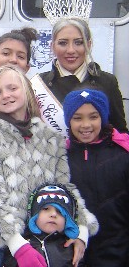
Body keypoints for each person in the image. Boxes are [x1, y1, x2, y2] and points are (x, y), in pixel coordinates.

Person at [0, 65, 98, 267]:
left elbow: (65, 190)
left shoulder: (50, 138)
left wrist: (82, 232)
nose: (6, 95)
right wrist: (18, 245)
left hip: (45, 241)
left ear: (27, 90)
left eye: (12, 88)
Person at [63, 88, 129, 266]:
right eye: (77, 118)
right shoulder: (60, 158)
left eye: (93, 117)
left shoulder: (122, 155)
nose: (86, 125)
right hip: (74, 255)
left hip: (118, 254)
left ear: (103, 118)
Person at [31, 17, 127, 136]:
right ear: (52, 46)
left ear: (89, 45)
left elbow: (120, 132)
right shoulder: (38, 84)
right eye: (63, 43)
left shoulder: (107, 82)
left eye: (78, 42)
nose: (71, 50)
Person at [3, 184, 85, 267]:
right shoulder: (21, 245)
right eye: (46, 209)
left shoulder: (71, 248)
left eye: (60, 212)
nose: (53, 214)